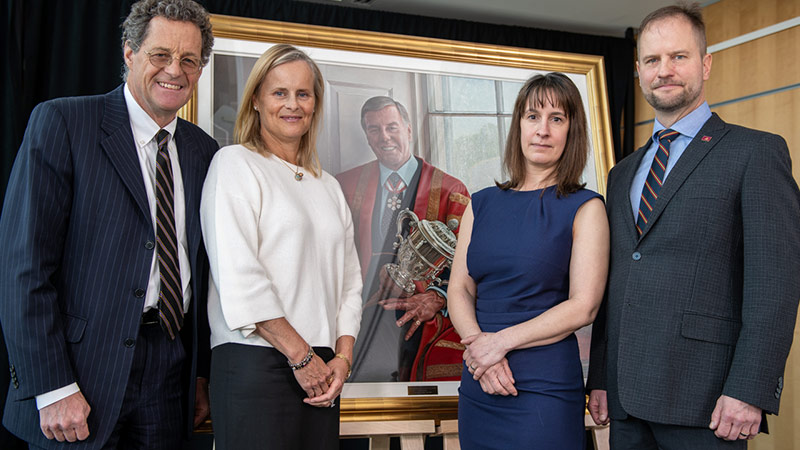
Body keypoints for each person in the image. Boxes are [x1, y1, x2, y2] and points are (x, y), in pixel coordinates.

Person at [0, 0, 218, 448]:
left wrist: (200, 376)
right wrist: (53, 386)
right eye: (160, 55)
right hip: (80, 371)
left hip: (170, 371)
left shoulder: (205, 151)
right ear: (129, 53)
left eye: (189, 60)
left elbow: (204, 269)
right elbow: (24, 267)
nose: (174, 70)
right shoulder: (64, 122)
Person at [586, 3, 800, 449]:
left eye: (678, 57)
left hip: (708, 400)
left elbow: (776, 285)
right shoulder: (621, 172)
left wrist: (749, 388)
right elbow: (617, 279)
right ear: (640, 72)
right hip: (625, 400)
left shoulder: (755, 153)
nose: (664, 70)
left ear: (705, 64)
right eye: (652, 60)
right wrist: (601, 376)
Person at [200, 44, 362, 450]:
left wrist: (341, 359)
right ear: (256, 99)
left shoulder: (329, 186)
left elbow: (350, 283)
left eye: (303, 94)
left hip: (321, 367)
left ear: (315, 104)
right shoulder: (234, 163)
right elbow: (240, 277)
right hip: (256, 361)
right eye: (279, 93)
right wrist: (302, 357)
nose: (293, 105)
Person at [448, 72, 609, 449]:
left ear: (572, 131)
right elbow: (459, 288)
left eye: (557, 119)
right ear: (518, 124)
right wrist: (480, 351)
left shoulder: (585, 207)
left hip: (543, 389)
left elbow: (584, 306)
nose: (542, 130)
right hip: (479, 381)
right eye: (533, 116)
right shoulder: (481, 202)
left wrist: (497, 344)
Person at [336, 96, 470, 382]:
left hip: (423, 318)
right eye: (374, 129)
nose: (384, 137)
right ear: (367, 136)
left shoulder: (451, 190)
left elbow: (469, 265)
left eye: (392, 127)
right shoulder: (344, 187)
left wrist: (437, 297)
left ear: (409, 129)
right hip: (359, 317)